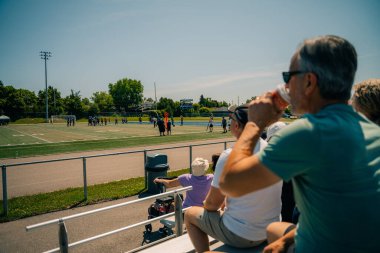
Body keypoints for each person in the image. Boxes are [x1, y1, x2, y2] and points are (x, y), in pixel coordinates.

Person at [219, 35, 380, 252]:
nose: (285, 85)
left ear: (309, 82)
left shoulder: (308, 132)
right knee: (275, 229)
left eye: (289, 76)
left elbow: (231, 184)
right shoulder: (372, 130)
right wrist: (286, 241)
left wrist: (255, 123)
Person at [184, 105, 282, 252]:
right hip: (270, 230)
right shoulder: (273, 151)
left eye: (231, 120)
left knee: (190, 214)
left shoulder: (229, 156)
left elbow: (212, 204)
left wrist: (209, 206)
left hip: (242, 236)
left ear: (236, 125)